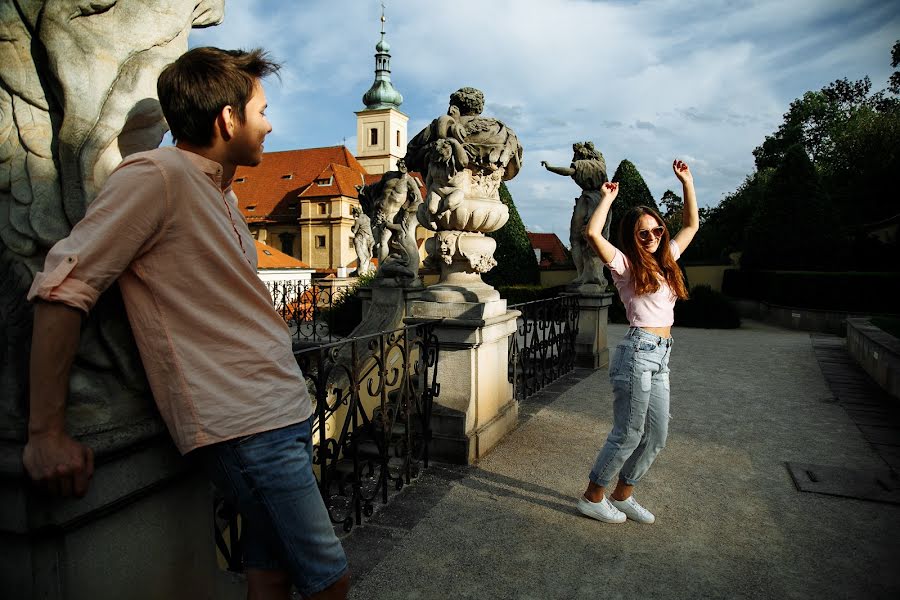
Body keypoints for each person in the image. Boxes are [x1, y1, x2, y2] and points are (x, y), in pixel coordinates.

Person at [22, 47, 350, 599]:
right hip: (247, 423)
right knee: (328, 578)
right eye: (262, 110)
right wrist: (44, 433)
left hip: (278, 411)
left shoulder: (217, 190)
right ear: (228, 119)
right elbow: (62, 287)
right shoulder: (159, 175)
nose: (270, 125)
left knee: (268, 572)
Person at [577, 159, 699, 525]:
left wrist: (687, 182)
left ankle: (623, 494)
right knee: (628, 432)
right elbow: (594, 235)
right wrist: (606, 201)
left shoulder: (666, 261)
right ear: (632, 237)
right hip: (637, 353)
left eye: (657, 230)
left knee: (656, 436)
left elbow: (692, 225)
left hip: (661, 355)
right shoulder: (625, 266)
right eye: (643, 233)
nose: (652, 237)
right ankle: (592, 497)